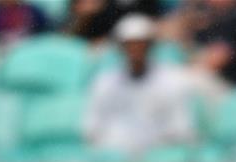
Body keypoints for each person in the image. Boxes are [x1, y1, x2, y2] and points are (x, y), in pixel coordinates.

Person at [83, 14, 197, 153]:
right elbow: (92, 127)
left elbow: (182, 127)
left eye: (140, 43)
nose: (135, 49)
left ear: (151, 45)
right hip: (114, 159)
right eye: (129, 44)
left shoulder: (173, 81)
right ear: (120, 47)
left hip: (158, 158)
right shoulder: (105, 82)